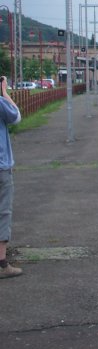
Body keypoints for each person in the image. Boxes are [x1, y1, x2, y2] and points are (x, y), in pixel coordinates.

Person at [0, 75, 22, 278]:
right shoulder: (0, 103)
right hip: (1, 168)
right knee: (3, 213)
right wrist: (5, 93)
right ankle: (2, 264)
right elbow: (16, 117)